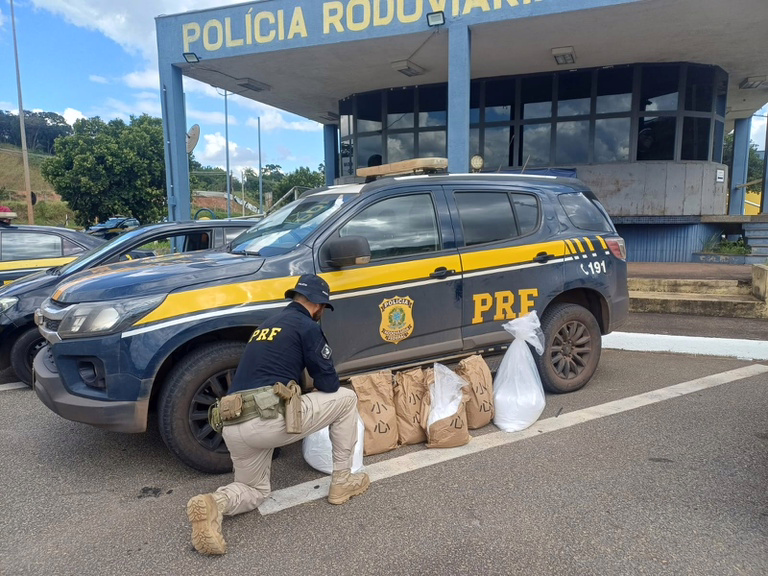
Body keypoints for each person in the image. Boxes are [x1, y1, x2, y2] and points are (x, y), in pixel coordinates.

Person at [186, 274, 370, 555]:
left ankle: (214, 503)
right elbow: (329, 384)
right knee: (346, 398)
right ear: (318, 305)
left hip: (233, 425)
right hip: (267, 419)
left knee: (255, 490)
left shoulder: (266, 326)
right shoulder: (306, 326)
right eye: (322, 308)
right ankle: (342, 481)